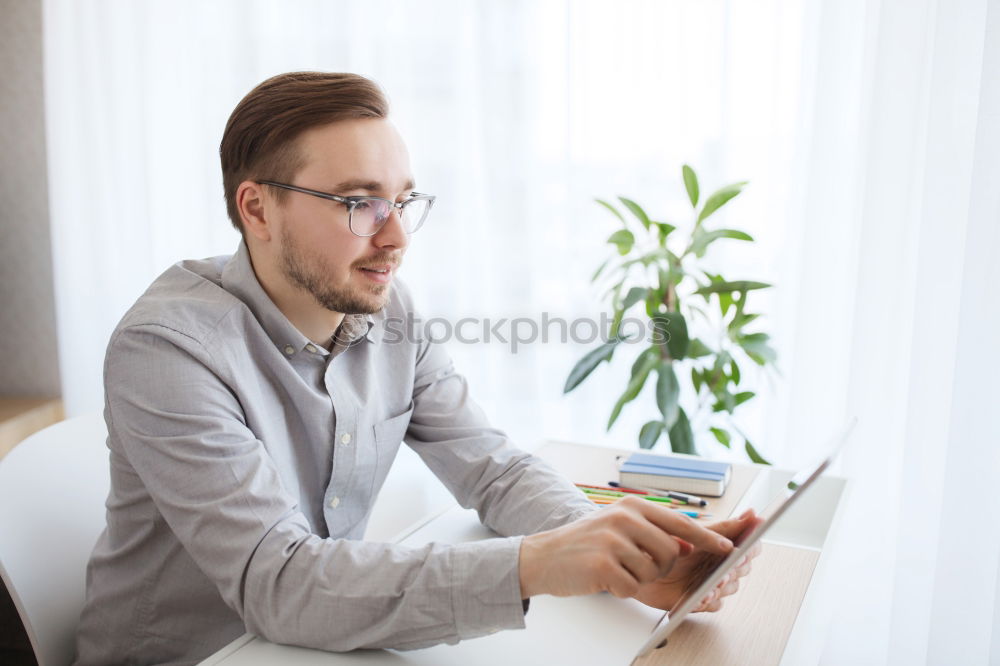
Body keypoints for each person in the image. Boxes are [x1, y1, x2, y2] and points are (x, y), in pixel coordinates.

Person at [72, 71, 760, 666]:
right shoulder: (166, 348)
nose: (396, 237)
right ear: (257, 208)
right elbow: (277, 585)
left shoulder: (384, 308)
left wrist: (619, 560)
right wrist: (541, 564)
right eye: (360, 204)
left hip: (314, 644)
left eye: (402, 201)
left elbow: (492, 468)